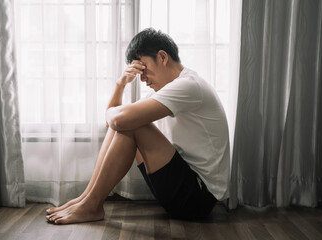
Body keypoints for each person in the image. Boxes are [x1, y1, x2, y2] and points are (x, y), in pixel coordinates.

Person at [46, 28, 230, 224]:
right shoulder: (165, 90)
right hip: (183, 189)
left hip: (198, 198)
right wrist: (120, 84)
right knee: (127, 123)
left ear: (162, 57)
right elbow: (112, 123)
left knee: (132, 124)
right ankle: (87, 199)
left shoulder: (188, 85)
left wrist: (116, 115)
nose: (142, 79)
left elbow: (118, 119)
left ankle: (91, 205)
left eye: (144, 69)